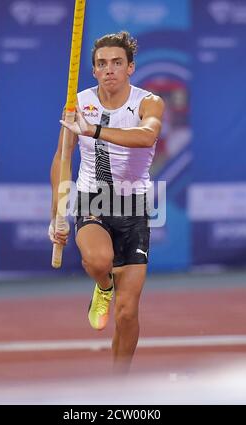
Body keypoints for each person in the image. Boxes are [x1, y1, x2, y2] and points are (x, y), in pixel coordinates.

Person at [49, 31, 164, 373]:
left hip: (134, 207)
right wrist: (57, 212)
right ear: (94, 71)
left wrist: (93, 130)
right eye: (102, 64)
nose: (109, 69)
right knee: (99, 260)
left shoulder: (148, 102)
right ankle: (103, 286)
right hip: (92, 199)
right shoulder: (78, 102)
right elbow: (62, 158)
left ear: (131, 68)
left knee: (127, 312)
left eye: (117, 63)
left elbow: (147, 136)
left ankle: (117, 385)